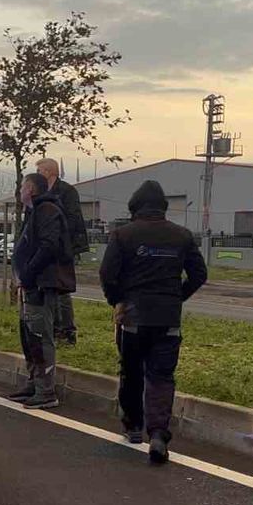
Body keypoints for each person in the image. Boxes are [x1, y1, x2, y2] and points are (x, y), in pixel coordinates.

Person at [99, 180, 207, 464]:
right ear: (163, 207)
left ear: (135, 207)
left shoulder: (123, 234)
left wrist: (117, 300)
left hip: (132, 317)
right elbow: (199, 274)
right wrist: (177, 297)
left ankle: (133, 426)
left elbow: (107, 274)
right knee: (161, 377)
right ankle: (158, 434)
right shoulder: (182, 236)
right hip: (168, 319)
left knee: (131, 371)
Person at [7, 173, 76, 410]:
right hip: (30, 284)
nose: (20, 191)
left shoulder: (47, 211)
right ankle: (34, 382)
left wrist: (28, 273)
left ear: (31, 189)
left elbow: (48, 246)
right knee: (28, 336)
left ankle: (45, 390)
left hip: (40, 284)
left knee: (39, 336)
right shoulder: (34, 212)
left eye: (22, 186)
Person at [36, 158, 89, 345]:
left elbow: (73, 219)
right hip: (47, 247)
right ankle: (53, 328)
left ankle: (67, 331)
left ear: (49, 171)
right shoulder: (42, 192)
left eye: (39, 170)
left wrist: (60, 240)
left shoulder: (67, 191)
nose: (37, 174)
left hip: (63, 247)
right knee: (49, 288)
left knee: (62, 289)